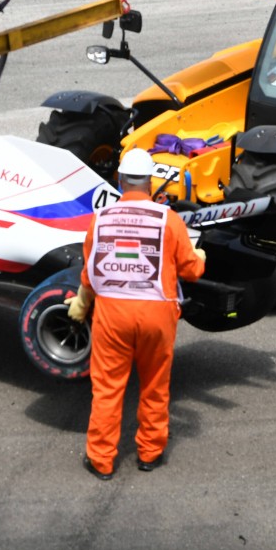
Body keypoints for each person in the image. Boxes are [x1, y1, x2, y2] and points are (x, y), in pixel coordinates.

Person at [66, 148, 207, 479]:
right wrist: (200, 256)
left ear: (119, 179)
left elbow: (90, 272)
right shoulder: (168, 219)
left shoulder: (99, 219)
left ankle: (101, 459)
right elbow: (191, 270)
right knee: (155, 384)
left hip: (112, 314)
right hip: (157, 315)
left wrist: (82, 302)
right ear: (149, 182)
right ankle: (150, 452)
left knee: (108, 387)